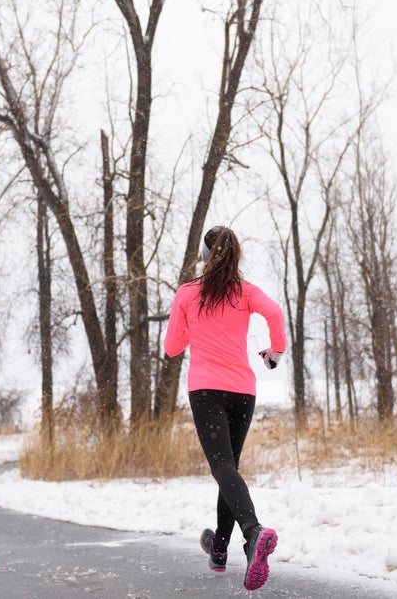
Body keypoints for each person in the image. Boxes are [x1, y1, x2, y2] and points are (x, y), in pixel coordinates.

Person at [163, 225, 287, 592]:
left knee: (222, 467)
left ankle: (253, 532)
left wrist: (191, 325)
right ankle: (219, 548)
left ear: (204, 256)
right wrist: (274, 351)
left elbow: (172, 348)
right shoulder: (246, 292)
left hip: (206, 390)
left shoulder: (187, 294)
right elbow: (275, 313)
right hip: (242, 392)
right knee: (228, 468)